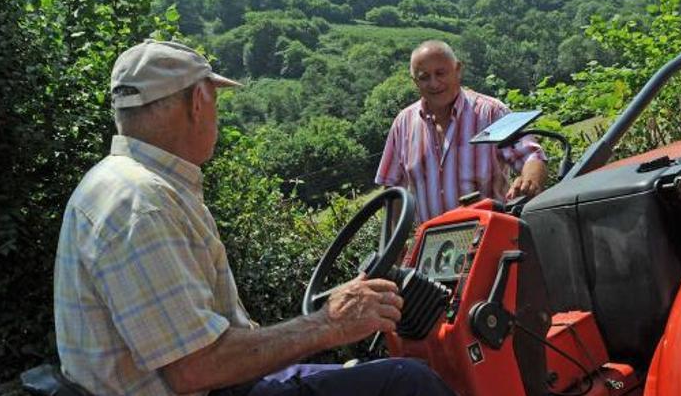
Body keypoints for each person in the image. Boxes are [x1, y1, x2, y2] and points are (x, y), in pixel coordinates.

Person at [53, 40, 454, 396]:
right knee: (408, 382)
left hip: (216, 382)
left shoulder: (117, 183)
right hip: (212, 386)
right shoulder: (144, 204)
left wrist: (328, 316)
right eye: (216, 100)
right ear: (197, 101)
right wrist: (328, 324)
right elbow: (197, 368)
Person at [376, 40, 548, 223]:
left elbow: (532, 156)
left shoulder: (491, 112)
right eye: (424, 77)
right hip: (433, 247)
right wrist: (394, 243)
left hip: (489, 238)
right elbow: (392, 189)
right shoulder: (403, 124)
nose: (434, 83)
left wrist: (529, 180)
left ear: (458, 70)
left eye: (440, 73)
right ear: (414, 82)